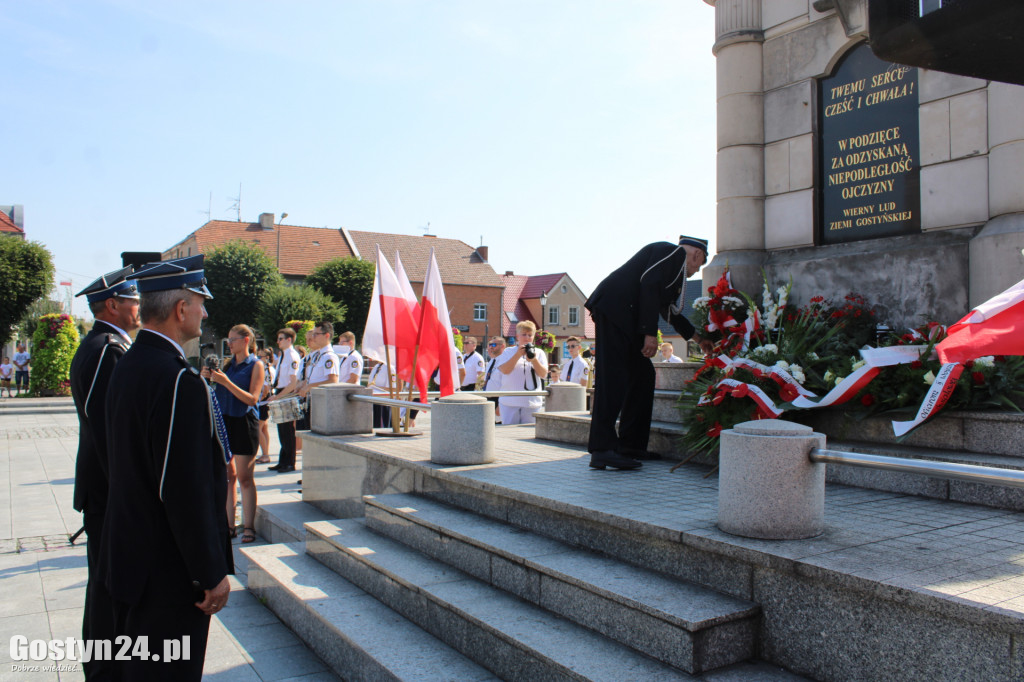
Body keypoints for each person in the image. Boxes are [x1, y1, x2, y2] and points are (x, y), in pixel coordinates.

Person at [101, 255, 232, 681]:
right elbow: (183, 489)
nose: (205, 312)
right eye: (200, 302)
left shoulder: (129, 364)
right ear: (180, 309)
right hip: (168, 573)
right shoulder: (178, 380)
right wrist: (210, 572)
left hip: (129, 557)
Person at [585, 236, 715, 470]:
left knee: (642, 376)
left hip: (627, 315)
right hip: (616, 310)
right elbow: (649, 285)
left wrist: (698, 338)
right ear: (696, 254)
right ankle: (602, 449)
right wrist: (649, 333)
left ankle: (630, 445)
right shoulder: (674, 254)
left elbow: (666, 308)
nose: (695, 272)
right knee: (613, 377)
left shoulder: (672, 266)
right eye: (700, 264)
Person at [69, 265, 140, 681]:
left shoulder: (100, 344)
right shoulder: (107, 349)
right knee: (108, 587)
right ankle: (104, 668)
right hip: (107, 489)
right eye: (133, 302)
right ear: (112, 305)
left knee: (104, 583)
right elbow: (107, 428)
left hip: (102, 488)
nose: (138, 310)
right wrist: (125, 492)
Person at [203, 324, 264, 544]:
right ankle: (229, 525)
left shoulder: (256, 365)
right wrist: (207, 378)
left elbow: (252, 399)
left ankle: (249, 525)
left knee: (245, 478)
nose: (229, 344)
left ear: (246, 340)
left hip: (244, 422)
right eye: (228, 340)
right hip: (224, 422)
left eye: (233, 339)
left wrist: (226, 382)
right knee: (229, 476)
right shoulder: (228, 366)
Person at [273, 321, 339, 467]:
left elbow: (332, 380)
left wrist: (308, 386)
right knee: (309, 439)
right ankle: (310, 473)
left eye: (316, 334)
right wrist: (302, 385)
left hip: (320, 403)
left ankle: (316, 473)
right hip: (310, 401)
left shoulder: (329, 357)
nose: (313, 337)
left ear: (327, 335)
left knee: (316, 441)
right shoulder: (317, 356)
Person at [496, 321, 548, 424]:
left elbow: (543, 375)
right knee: (509, 434)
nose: (527, 338)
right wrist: (518, 355)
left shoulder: (539, 353)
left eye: (530, 335)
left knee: (529, 434)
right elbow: (505, 370)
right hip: (509, 402)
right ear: (517, 336)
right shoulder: (508, 351)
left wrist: (534, 360)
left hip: (532, 402)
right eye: (524, 334)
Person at [269, 328, 301, 472]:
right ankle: (283, 460)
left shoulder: (293, 356)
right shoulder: (284, 355)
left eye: (281, 338)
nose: (278, 341)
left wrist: (279, 396)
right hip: (281, 391)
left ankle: (289, 462)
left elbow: (293, 382)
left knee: (287, 430)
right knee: (281, 429)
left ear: (289, 339)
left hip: (286, 393)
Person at [255, 349, 275, 464]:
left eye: (260, 356)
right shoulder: (269, 368)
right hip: (265, 402)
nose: (258, 358)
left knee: (258, 429)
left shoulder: (266, 369)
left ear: (266, 357)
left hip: (263, 402)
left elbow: (266, 388)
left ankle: (265, 454)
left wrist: (258, 399)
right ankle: (265, 453)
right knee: (264, 428)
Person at [478, 336, 506, 420]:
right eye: (490, 344)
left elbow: (507, 384)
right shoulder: (492, 361)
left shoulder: (505, 361)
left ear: (502, 346)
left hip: (499, 399)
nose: (490, 347)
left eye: (494, 344)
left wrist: (501, 405)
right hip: (489, 398)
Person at [366, 358, 396, 428]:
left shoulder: (390, 368)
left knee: (381, 428)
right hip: (372, 401)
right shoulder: (376, 367)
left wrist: (375, 387)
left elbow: (393, 389)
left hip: (383, 403)